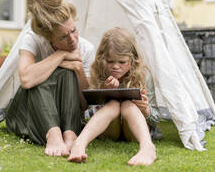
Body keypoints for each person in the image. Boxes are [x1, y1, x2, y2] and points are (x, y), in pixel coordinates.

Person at [4, 0, 94, 157]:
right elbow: (27, 79)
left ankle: (70, 134)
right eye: (63, 37)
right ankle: (53, 135)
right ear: (48, 37)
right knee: (37, 77)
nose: (72, 40)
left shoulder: (86, 48)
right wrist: (60, 56)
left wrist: (78, 69)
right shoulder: (33, 38)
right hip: (29, 113)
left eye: (74, 30)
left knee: (69, 72)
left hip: (65, 116)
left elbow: (84, 105)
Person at [68, 27, 160, 166]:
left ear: (132, 59)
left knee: (127, 105)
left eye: (122, 62)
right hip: (110, 130)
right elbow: (87, 110)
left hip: (134, 132)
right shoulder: (99, 73)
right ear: (103, 59)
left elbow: (156, 118)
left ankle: (147, 147)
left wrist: (146, 109)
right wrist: (103, 94)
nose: (115, 67)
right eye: (110, 61)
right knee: (114, 104)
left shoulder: (143, 76)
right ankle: (79, 143)